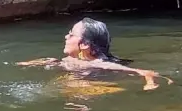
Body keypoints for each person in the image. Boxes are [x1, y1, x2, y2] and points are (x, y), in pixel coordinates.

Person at [17, 17, 171, 91]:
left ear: (84, 44)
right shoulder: (69, 60)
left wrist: (150, 82)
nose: (66, 37)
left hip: (96, 84)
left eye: (71, 34)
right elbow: (60, 62)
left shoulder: (98, 64)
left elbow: (144, 71)